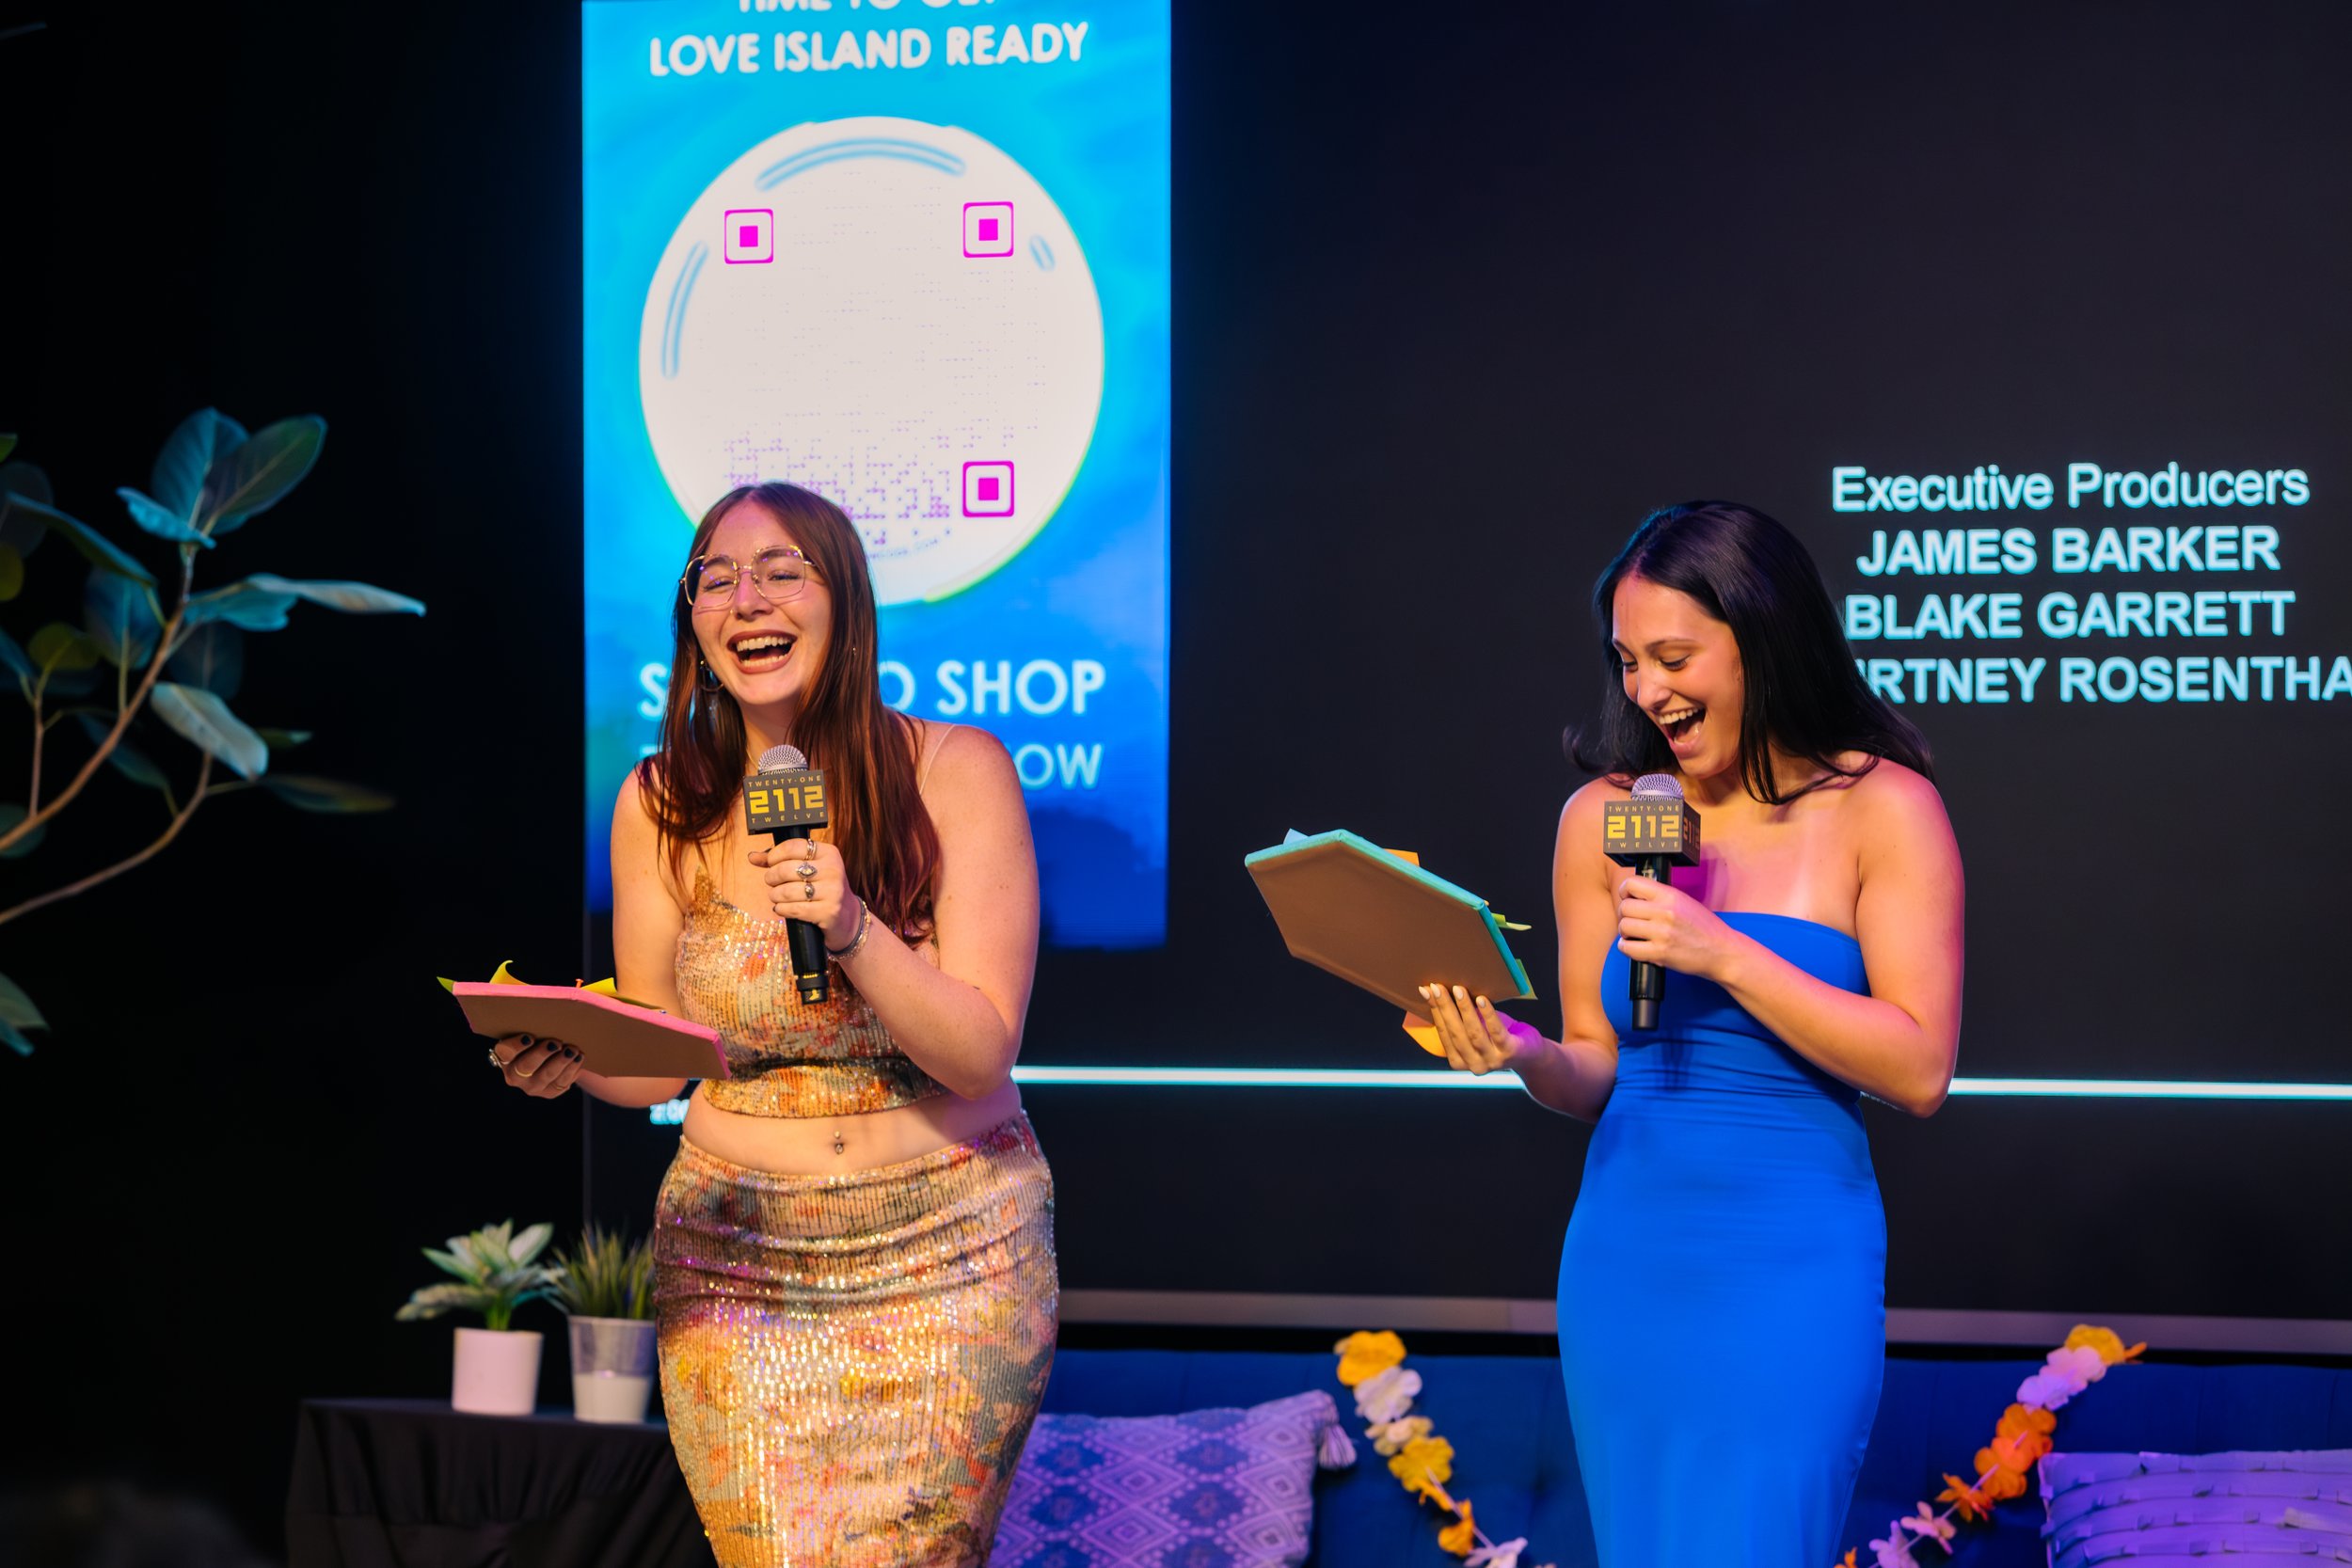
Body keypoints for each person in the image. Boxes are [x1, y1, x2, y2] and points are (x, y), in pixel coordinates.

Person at [489, 482, 1057, 1568]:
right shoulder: (659, 802)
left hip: (951, 1264)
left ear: (843, 599)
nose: (746, 596)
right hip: (736, 1269)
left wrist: (846, 922)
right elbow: (656, 1051)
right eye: (717, 577)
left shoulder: (956, 772)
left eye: (781, 569)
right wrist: (574, 1055)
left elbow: (980, 1046)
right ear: (695, 625)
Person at [1419, 501, 1963, 1567]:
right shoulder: (1604, 817)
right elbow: (1594, 1066)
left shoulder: (1882, 809)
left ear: (1762, 637)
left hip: (1793, 1260)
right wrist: (1521, 1050)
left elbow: (1920, 1066)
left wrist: (1722, 952)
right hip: (1630, 1255)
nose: (1645, 690)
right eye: (1626, 661)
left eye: (1673, 655)